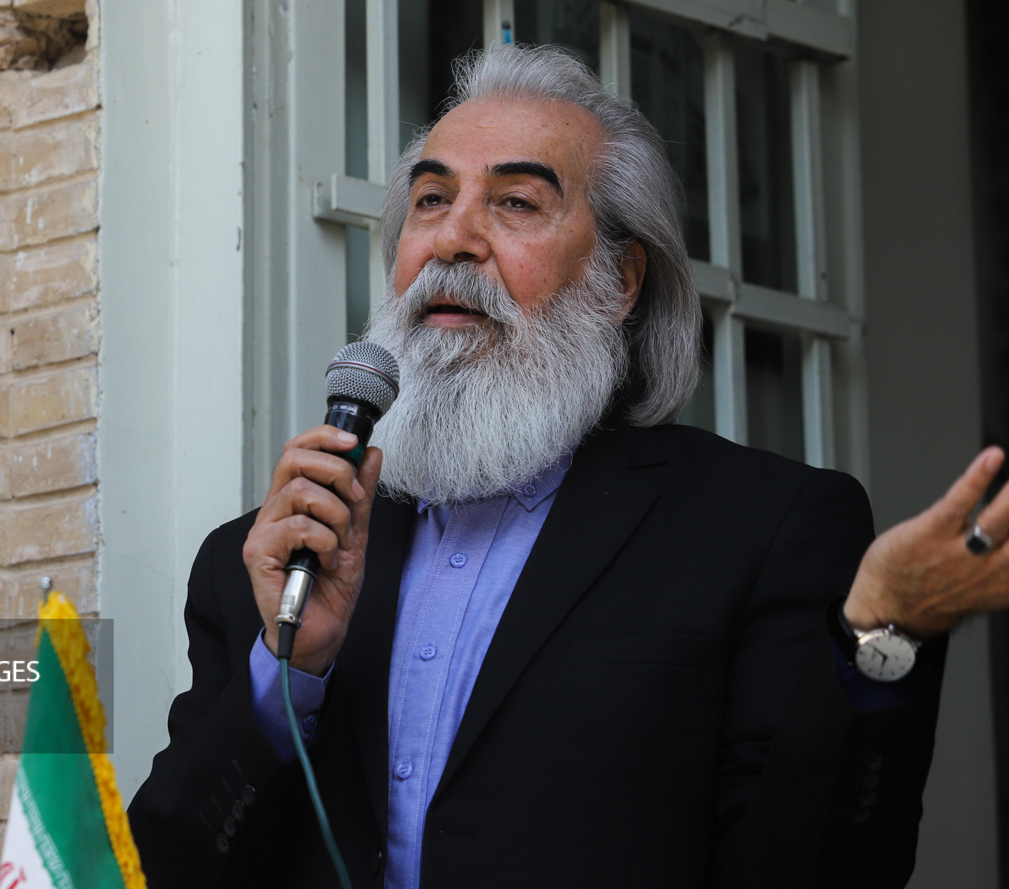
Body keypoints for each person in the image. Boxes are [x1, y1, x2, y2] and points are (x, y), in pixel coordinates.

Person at [128, 44, 1009, 888]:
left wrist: (885, 631)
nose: (453, 238)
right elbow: (169, 871)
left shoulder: (760, 530)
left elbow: (811, 872)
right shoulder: (266, 564)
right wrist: (291, 670)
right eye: (430, 201)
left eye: (515, 203)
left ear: (621, 280)